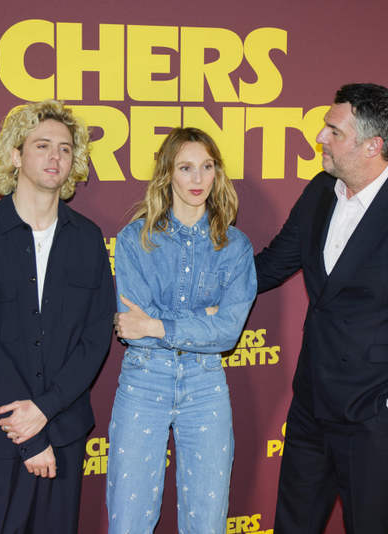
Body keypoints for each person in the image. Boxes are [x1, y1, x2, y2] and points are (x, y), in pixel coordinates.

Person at [255, 83, 388, 534]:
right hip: (311, 404)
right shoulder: (319, 191)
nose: (320, 138)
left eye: (333, 131)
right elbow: (272, 265)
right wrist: (190, 280)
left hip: (374, 414)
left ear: (373, 145)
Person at [0, 99, 116, 533]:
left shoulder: (87, 240)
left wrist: (46, 410)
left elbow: (96, 335)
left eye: (64, 148)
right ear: (15, 155)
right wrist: (29, 434)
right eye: (42, 145)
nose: (55, 157)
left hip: (64, 431)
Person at [106, 127, 257, 534]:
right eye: (186, 167)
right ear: (167, 174)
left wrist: (158, 323)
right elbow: (131, 329)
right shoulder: (135, 239)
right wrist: (200, 318)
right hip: (143, 379)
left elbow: (226, 332)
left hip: (205, 385)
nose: (197, 179)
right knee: (129, 521)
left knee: (207, 524)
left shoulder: (236, 247)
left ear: (217, 173)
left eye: (206, 167)